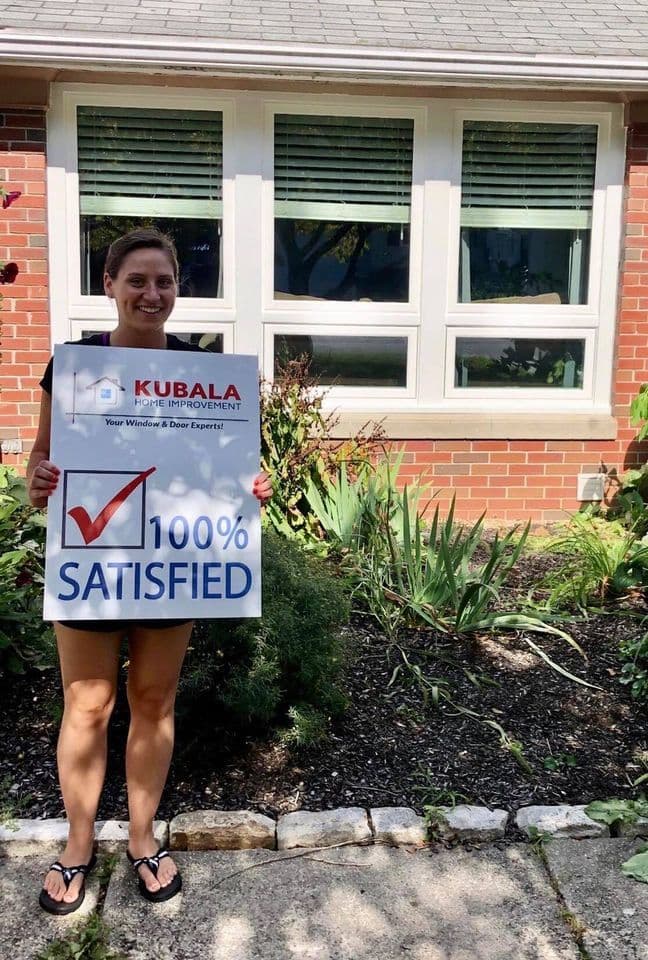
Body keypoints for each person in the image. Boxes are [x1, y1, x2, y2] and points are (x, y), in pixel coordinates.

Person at [27, 228, 272, 914]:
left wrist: (253, 489)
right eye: (136, 280)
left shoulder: (207, 375)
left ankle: (141, 837)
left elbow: (232, 471)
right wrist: (40, 478)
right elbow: (38, 467)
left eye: (163, 281)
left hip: (174, 559)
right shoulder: (72, 366)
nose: (151, 293)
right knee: (89, 703)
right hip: (95, 553)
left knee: (156, 699)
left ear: (176, 291)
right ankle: (78, 845)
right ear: (108, 286)